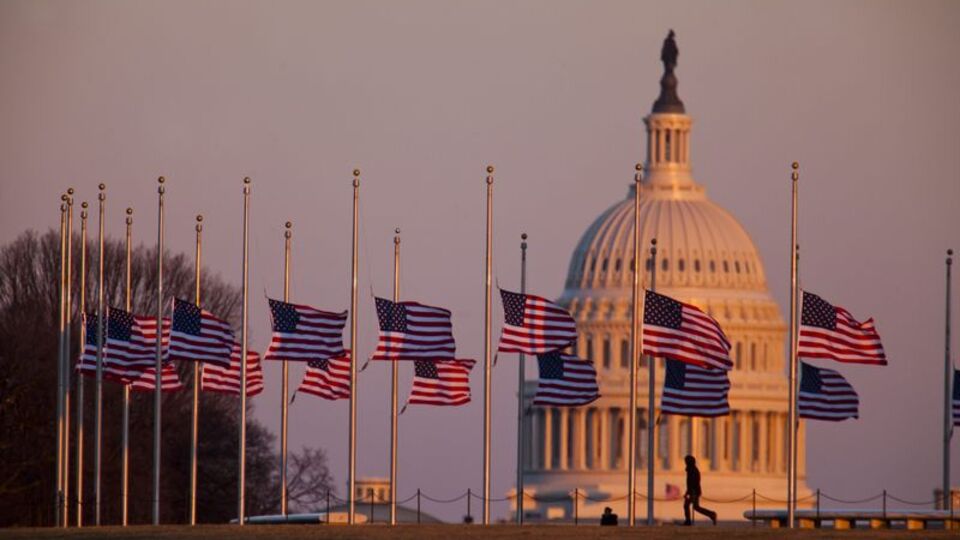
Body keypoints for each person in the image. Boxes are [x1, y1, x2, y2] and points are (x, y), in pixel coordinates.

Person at [683, 455, 717, 526]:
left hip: (694, 492)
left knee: (688, 506)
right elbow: (690, 483)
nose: (685, 463)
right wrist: (687, 492)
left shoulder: (692, 470)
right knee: (695, 507)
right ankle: (711, 514)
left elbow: (692, 483)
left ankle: (688, 521)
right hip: (694, 492)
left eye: (686, 461)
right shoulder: (691, 469)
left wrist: (690, 493)